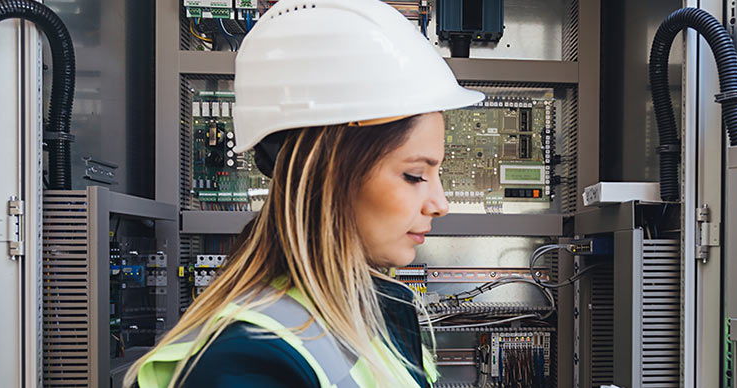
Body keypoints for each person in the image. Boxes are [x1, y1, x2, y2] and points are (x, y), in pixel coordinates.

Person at [123, 0, 484, 386]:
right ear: (326, 173)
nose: (440, 204)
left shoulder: (374, 310)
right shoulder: (247, 362)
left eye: (437, 172)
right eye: (415, 174)